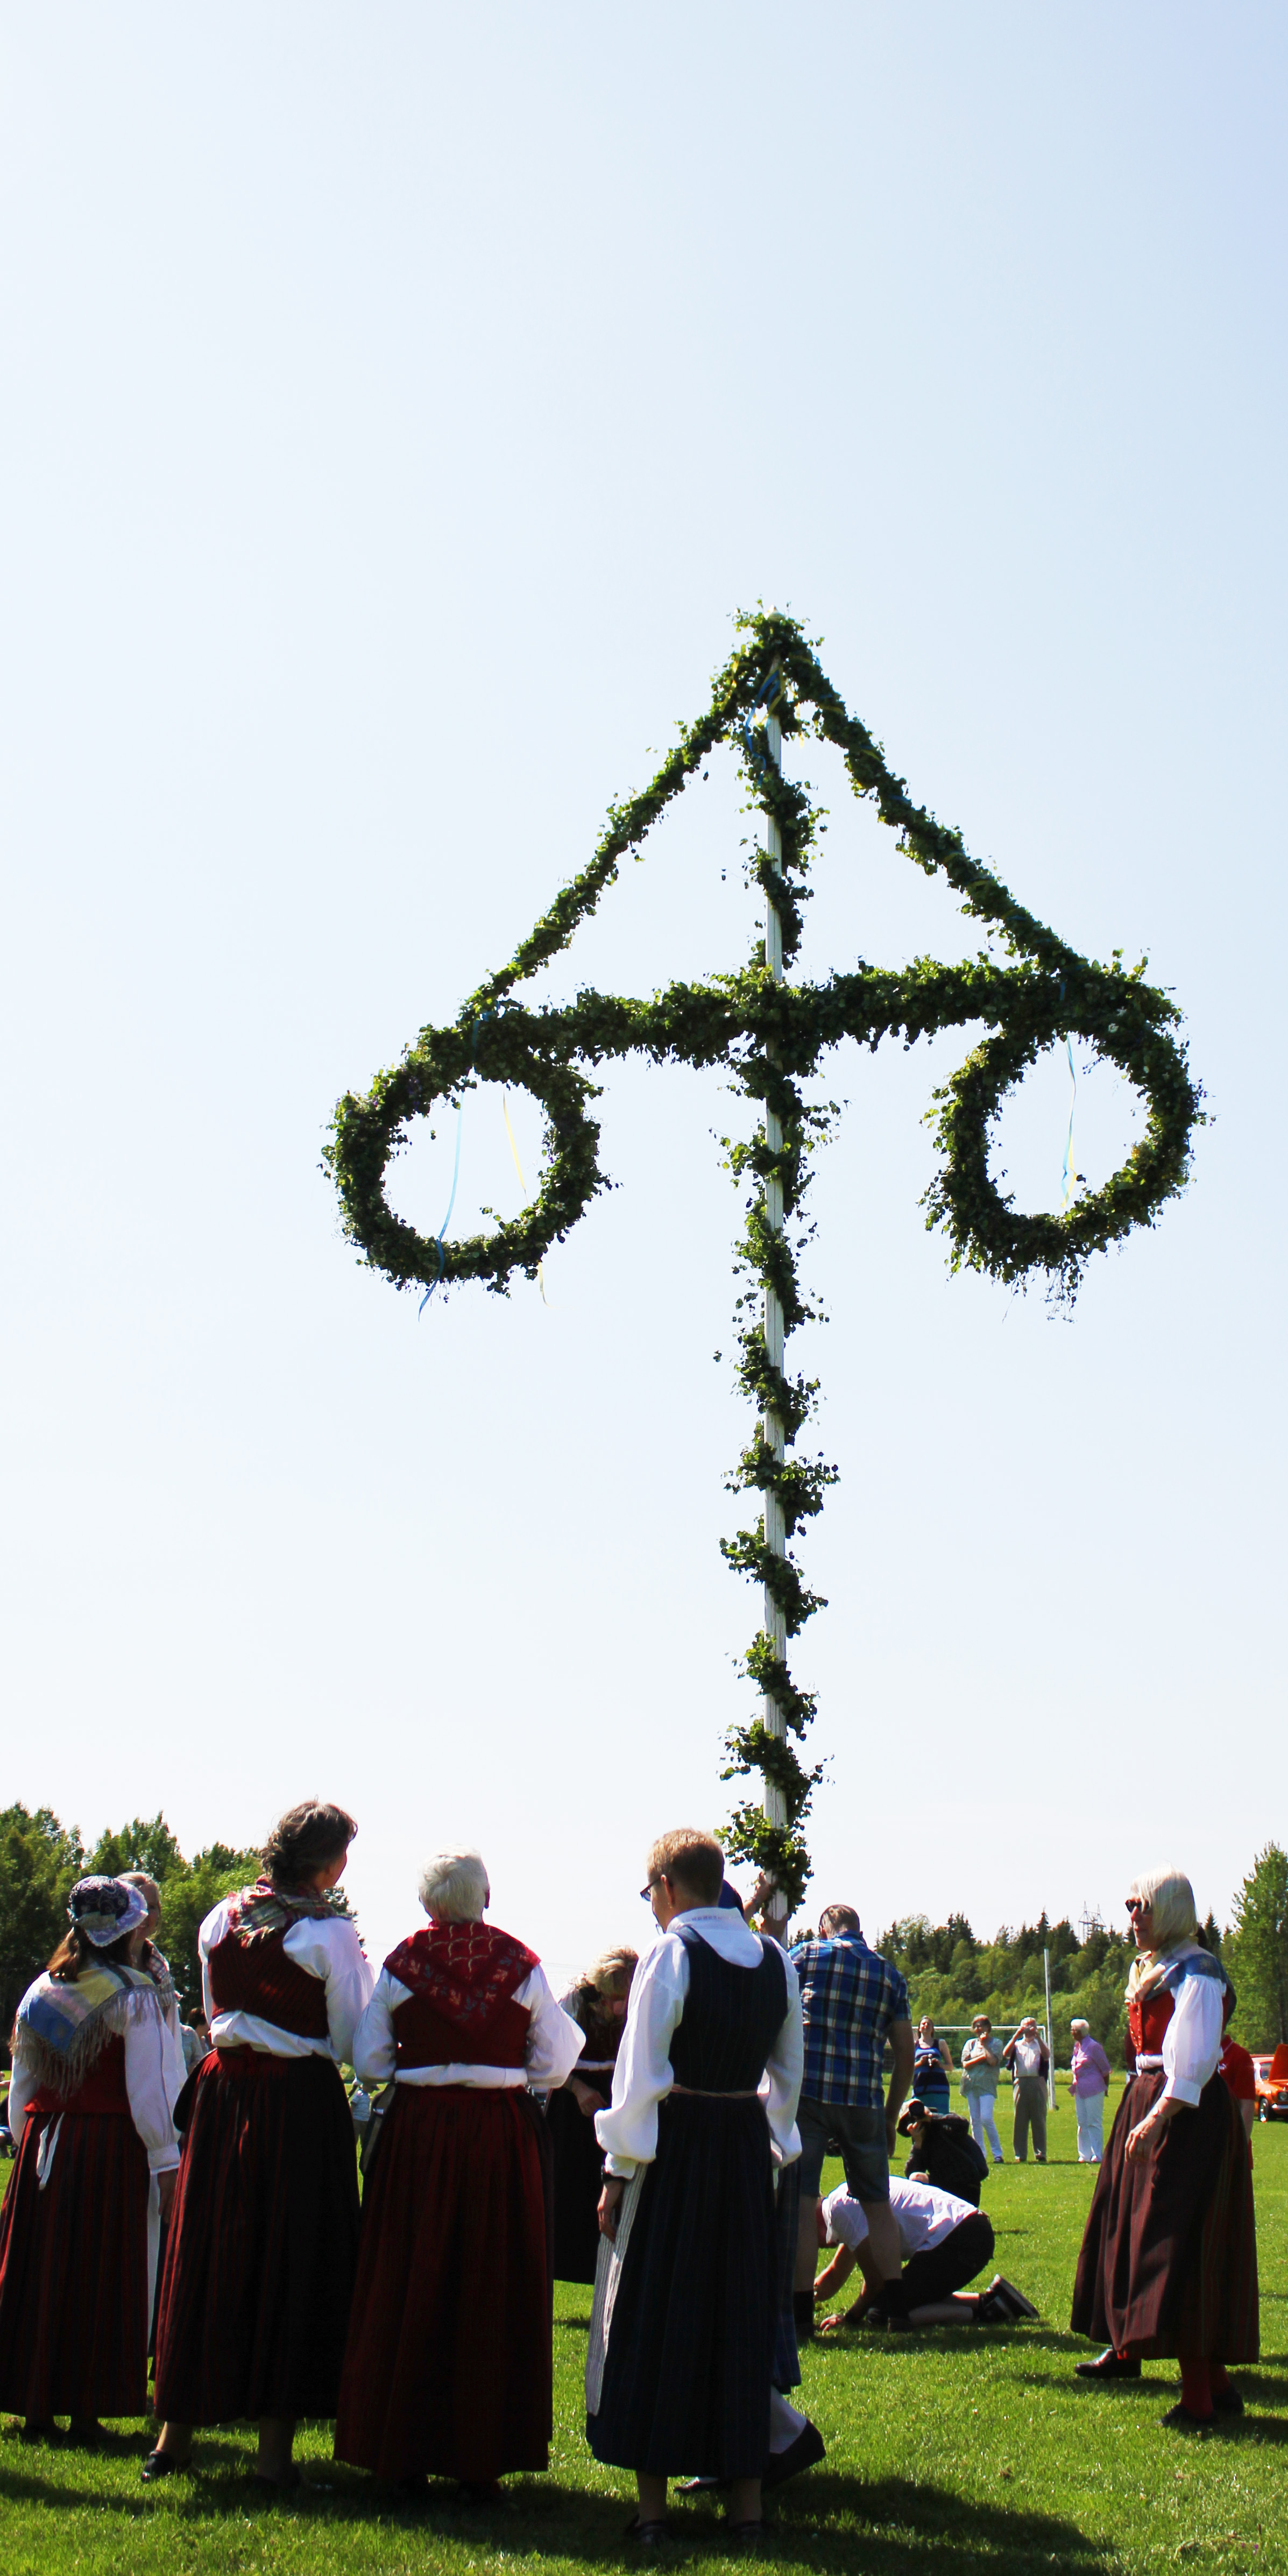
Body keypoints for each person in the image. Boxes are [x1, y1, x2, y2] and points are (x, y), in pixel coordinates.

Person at [335, 1848, 584, 2500]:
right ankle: (481, 2460)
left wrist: (415, 2071)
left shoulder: (403, 1962)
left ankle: (402, 2452)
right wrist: (508, 2074)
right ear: (485, 1897)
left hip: (419, 2131)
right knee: (489, 2278)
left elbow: (369, 2060)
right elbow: (557, 2059)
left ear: (429, 1906)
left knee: (409, 2274)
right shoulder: (520, 1963)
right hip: (498, 2133)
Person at [586, 1827, 804, 2545]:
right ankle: (747, 2509)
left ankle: (653, 2513)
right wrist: (769, 2143)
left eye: (651, 1892)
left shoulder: (670, 1954)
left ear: (669, 1889)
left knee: (655, 2308)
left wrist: (618, 2171)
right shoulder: (773, 1959)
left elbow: (640, 2074)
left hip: (675, 2147)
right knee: (737, 2312)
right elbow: (788, 2077)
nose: (651, 1906)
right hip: (742, 2145)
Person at [147, 1799, 371, 2490]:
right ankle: (274, 2458)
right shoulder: (330, 1937)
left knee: (208, 2251)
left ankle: (172, 2437)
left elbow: (214, 2011)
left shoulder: (221, 1916)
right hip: (296, 2105)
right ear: (330, 1863)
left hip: (222, 2097)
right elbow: (353, 2040)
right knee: (292, 2258)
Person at [1070, 1866, 1259, 2432]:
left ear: (1171, 1910)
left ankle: (1200, 2396)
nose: (1133, 1918)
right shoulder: (1157, 1968)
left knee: (1178, 2242)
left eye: (1143, 1907)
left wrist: (1156, 2119)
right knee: (1127, 2229)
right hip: (1150, 2100)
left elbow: (1195, 2063)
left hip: (1186, 2113)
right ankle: (1160, 2362)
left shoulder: (1197, 1973)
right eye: (1129, 1907)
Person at [0, 1876, 181, 2437]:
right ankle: (85, 2405)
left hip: (42, 2142)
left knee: (43, 2268)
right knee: (97, 2269)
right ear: (127, 1928)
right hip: (107, 2147)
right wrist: (165, 2160)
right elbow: (148, 2092)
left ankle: (34, 2401)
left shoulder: (43, 1990)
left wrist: (24, 2137)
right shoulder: (135, 1995)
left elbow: (22, 2085)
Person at [788, 1903, 914, 2335]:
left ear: (825, 1927)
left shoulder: (806, 1957)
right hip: (863, 2100)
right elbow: (904, 2054)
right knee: (878, 2206)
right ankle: (896, 2309)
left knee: (804, 2205)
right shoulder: (889, 1974)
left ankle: (799, 2315)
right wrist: (890, 2116)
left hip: (810, 2095)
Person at [813, 2175, 1037, 2330]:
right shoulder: (844, 2201)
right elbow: (834, 2274)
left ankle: (985, 2313)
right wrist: (802, 2299)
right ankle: (993, 2300)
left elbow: (877, 2283)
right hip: (970, 2230)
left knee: (882, 2313)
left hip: (959, 2238)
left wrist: (851, 2319)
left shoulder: (839, 2210)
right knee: (905, 2294)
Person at [548, 1948, 638, 2284]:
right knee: (567, 2190)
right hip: (573, 2105)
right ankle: (559, 2268)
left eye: (624, 1998)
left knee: (613, 2189)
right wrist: (577, 2088)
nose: (618, 2008)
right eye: (614, 1998)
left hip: (615, 2099)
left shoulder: (639, 2004)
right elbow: (546, 2057)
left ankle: (612, 2275)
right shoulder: (574, 2000)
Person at [898, 2100, 987, 2206]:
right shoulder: (922, 2142)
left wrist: (933, 2118)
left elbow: (963, 2124)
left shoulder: (945, 2125)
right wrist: (918, 2145)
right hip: (944, 2187)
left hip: (967, 2187)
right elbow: (912, 2175)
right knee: (916, 2178)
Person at [1002, 2018, 1050, 2162]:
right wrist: (1017, 2035)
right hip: (1020, 2082)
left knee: (1039, 2119)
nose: (1029, 2030)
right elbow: (1006, 2054)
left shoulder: (1039, 2044)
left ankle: (1041, 2153)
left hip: (1037, 2081)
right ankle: (1020, 2154)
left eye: (1032, 2027)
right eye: (1026, 2028)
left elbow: (1047, 2056)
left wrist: (1038, 2037)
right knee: (1020, 2120)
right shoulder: (1017, 2045)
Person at [960, 2014, 1004, 2165]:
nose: (979, 2029)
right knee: (975, 2121)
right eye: (977, 2026)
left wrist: (985, 2047)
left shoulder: (996, 2043)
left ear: (988, 2027)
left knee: (986, 2118)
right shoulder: (970, 2044)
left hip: (987, 2086)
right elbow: (966, 2064)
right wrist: (981, 2059)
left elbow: (992, 2061)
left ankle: (998, 2154)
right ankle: (980, 2155)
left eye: (982, 2026)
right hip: (971, 2084)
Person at [1070, 2019, 1112, 2163]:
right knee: (1082, 2122)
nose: (1071, 2032)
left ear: (1081, 2032)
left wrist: (1105, 2088)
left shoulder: (1094, 2047)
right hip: (1080, 2090)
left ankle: (1097, 2154)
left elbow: (1105, 2070)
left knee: (1094, 2122)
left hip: (1094, 2089)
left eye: (1073, 2030)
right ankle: (1084, 2154)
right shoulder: (1077, 2047)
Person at [1218, 2030, 1256, 2150]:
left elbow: (1246, 2107)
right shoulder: (1195, 2053)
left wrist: (1238, 2150)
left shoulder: (1239, 2056)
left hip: (1228, 2149)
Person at [912, 2016, 953, 2117]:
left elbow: (950, 2067)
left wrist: (940, 2065)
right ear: (919, 2029)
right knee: (921, 2118)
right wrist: (920, 2063)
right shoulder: (914, 2045)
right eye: (923, 2024)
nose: (926, 2025)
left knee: (940, 2119)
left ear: (932, 2029)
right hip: (920, 2088)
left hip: (940, 2089)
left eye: (928, 2024)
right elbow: (908, 2067)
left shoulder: (940, 2043)